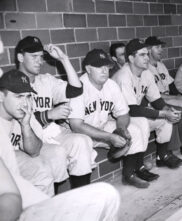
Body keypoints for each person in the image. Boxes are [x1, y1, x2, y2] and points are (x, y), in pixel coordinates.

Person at [0, 70, 120, 221]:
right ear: (1, 96)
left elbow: (34, 150)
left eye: (28, 96)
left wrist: (25, 125)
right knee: (39, 168)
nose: (25, 103)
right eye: (18, 96)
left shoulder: (23, 113)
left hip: (17, 161)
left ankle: (53, 205)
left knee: (57, 152)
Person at [69, 49, 158, 189]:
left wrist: (120, 130)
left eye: (107, 66)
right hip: (79, 133)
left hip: (101, 127)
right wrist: (110, 137)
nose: (104, 70)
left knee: (132, 130)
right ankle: (82, 193)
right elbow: (76, 126)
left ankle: (129, 175)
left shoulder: (110, 85)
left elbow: (123, 113)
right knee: (82, 143)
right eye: (99, 66)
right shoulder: (78, 86)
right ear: (88, 69)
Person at [15, 36, 97, 189]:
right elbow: (18, 122)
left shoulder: (45, 80)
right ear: (20, 57)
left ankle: (82, 196)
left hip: (49, 132)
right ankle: (56, 198)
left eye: (41, 56)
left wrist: (64, 59)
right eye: (34, 56)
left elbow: (76, 89)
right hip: (25, 139)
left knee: (82, 141)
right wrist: (49, 115)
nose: (39, 61)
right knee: (57, 154)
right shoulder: (10, 83)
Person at [112, 38, 182, 169]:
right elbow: (132, 110)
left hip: (132, 113)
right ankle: (136, 167)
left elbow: (156, 100)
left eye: (147, 54)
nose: (147, 57)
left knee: (165, 119)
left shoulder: (146, 72)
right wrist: (163, 113)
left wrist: (166, 110)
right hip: (117, 119)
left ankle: (162, 156)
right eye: (142, 55)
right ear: (130, 58)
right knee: (144, 122)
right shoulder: (123, 76)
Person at [145, 36, 182, 159]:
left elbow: (171, 84)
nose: (161, 50)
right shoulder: (145, 68)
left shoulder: (160, 65)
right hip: (158, 100)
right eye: (157, 47)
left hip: (167, 96)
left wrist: (181, 96)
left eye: (161, 47)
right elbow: (153, 96)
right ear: (148, 49)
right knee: (181, 109)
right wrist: (176, 97)